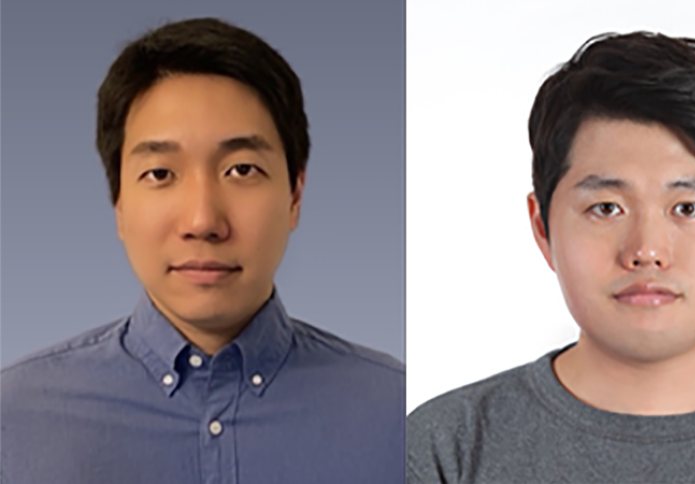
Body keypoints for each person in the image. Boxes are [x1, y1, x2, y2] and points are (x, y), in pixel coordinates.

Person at [407, 32, 695, 484]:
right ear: (542, 228)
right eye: (606, 208)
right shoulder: (442, 451)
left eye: (688, 208)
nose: (647, 251)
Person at [1, 18, 404, 484]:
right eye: (160, 174)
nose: (203, 222)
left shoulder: (393, 412)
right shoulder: (15, 420)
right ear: (118, 205)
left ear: (295, 196)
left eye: (241, 169)